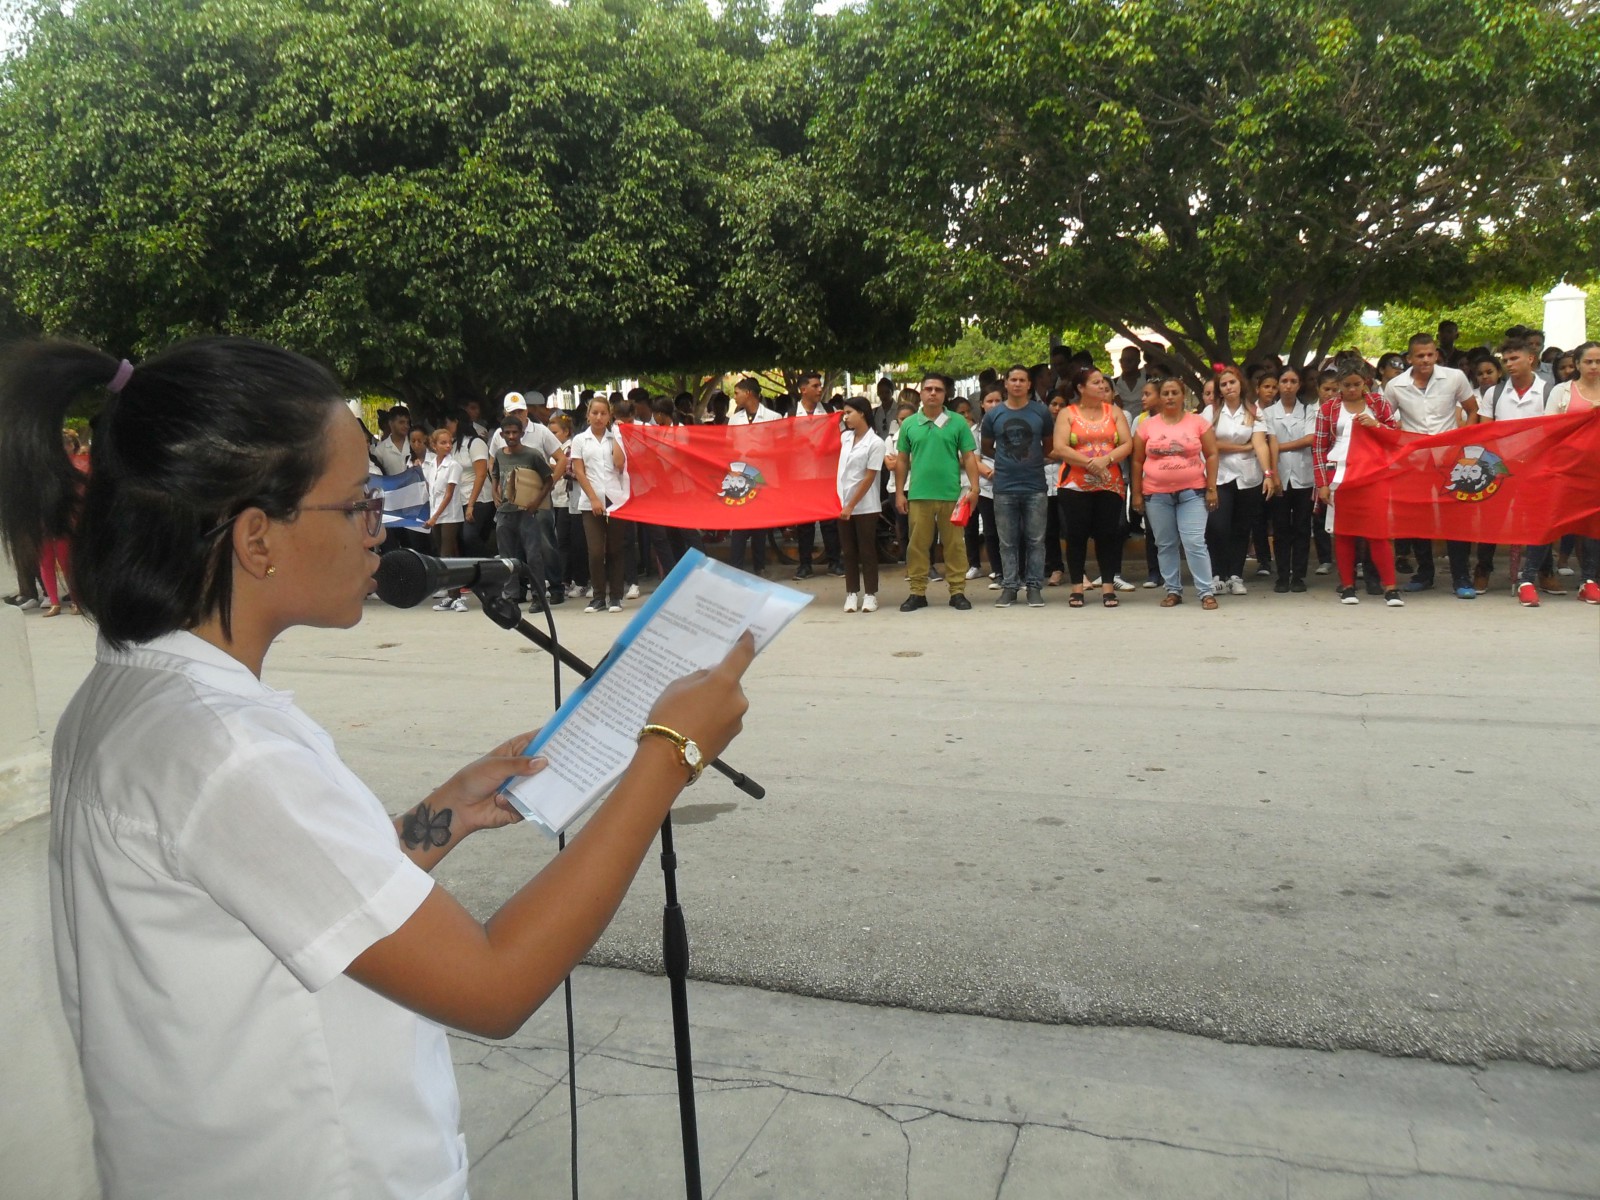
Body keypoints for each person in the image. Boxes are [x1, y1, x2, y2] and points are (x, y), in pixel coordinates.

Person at [0, 335, 754, 1200]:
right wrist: (668, 756)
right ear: (257, 539)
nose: (381, 528)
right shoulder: (223, 750)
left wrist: (439, 816)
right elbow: (494, 986)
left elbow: (281, 891)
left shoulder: (133, 693)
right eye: (357, 502)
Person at [1383, 333, 1478, 598]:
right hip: (1414, 461)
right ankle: (1425, 573)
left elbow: (1472, 409)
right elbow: (1384, 419)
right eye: (1420, 356)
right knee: (1418, 518)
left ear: (1436, 354)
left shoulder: (1455, 377)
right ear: (1409, 358)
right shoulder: (1395, 386)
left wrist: (1464, 439)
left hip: (1450, 457)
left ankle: (1462, 577)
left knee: (1456, 517)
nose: (1426, 360)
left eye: (1430, 354)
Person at [1314, 364, 1404, 606]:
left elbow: (1396, 437)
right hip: (1340, 474)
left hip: (1374, 473)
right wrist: (1322, 483)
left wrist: (1376, 426)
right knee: (1344, 532)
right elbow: (1320, 447)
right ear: (1339, 386)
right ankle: (1348, 585)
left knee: (1378, 532)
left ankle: (1391, 587)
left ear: (1366, 382)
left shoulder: (1378, 404)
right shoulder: (1328, 409)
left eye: (1357, 384)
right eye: (1346, 386)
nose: (1352, 389)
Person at [1130, 377, 1220, 608]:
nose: (1170, 397)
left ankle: (1205, 591)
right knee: (1165, 544)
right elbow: (1137, 461)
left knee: (1194, 542)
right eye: (1165, 393)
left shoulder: (1198, 422)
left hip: (1193, 493)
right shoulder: (1147, 426)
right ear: (1159, 397)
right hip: (1156, 495)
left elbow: (1211, 454)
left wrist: (1211, 488)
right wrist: (1137, 494)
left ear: (1183, 395)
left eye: (1174, 393)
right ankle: (1173, 590)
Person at [895, 374, 980, 611]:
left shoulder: (958, 422)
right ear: (921, 393)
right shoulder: (910, 424)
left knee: (954, 545)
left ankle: (957, 592)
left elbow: (969, 457)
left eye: (938, 390)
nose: (933, 393)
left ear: (945, 394)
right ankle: (917, 592)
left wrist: (975, 488)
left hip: (951, 494)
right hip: (919, 494)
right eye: (928, 389)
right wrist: (900, 493)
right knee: (917, 545)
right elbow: (902, 460)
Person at [1053, 367, 1132, 608]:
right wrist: (1090, 463)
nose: (1101, 387)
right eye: (1096, 383)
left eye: (1103, 383)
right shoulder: (1068, 413)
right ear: (1080, 388)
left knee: (1108, 534)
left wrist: (1105, 461)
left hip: (1110, 482)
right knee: (1076, 535)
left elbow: (1127, 443)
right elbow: (1060, 446)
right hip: (1074, 483)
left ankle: (1108, 586)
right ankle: (1077, 587)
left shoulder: (1114, 412)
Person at [979, 365, 1052, 608]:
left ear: (1029, 384)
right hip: (1004, 486)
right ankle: (1009, 587)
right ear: (1006, 383)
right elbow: (987, 447)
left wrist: (1029, 459)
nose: (1018, 384)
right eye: (1013, 380)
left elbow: (1049, 447)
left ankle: (1034, 587)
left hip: (1035, 486)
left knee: (1036, 540)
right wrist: (1007, 458)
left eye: (1022, 380)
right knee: (1007, 541)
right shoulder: (993, 415)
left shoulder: (1041, 412)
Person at [1205, 365, 1275, 595]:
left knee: (1241, 527)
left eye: (1232, 383)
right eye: (1223, 385)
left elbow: (1259, 444)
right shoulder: (1211, 412)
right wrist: (1240, 447)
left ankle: (1235, 575)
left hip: (1248, 476)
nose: (1228, 387)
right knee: (1218, 526)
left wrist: (1268, 474)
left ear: (1240, 385)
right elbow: (1209, 445)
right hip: (1220, 475)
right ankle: (1217, 573)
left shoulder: (1254, 411)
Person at [571, 394, 628, 612]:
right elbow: (579, 471)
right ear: (588, 415)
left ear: (609, 416)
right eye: (594, 413)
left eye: (603, 413)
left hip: (615, 498)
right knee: (595, 551)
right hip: (590, 501)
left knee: (615, 549)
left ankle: (615, 596)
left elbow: (619, 463)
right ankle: (597, 596)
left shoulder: (615, 437)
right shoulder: (579, 440)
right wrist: (594, 498)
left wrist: (619, 435)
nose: (598, 417)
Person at [489, 415, 552, 608]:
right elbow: (495, 474)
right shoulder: (499, 454)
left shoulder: (532, 455)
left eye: (515, 432)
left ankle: (538, 596)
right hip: (505, 511)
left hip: (526, 512)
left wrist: (536, 502)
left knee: (533, 555)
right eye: (507, 432)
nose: (511, 436)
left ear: (521, 433)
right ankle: (511, 595)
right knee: (507, 556)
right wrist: (495, 493)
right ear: (501, 434)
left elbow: (548, 480)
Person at [1263, 368, 1316, 592]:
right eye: (1284, 381)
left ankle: (1299, 576)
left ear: (1299, 385)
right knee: (1281, 528)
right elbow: (1268, 441)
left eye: (1293, 381)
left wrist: (1279, 447)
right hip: (1280, 475)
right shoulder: (1267, 412)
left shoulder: (1308, 410)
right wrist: (1273, 474)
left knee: (1302, 527)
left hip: (1304, 476)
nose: (1288, 385)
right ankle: (1283, 575)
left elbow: (1310, 439)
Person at [792, 371, 845, 579]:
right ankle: (805, 565)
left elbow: (842, 438)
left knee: (830, 520)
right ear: (803, 389)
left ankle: (834, 562)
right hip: (801, 475)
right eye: (815, 386)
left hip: (826, 474)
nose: (819, 389)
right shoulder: (790, 415)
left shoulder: (830, 412)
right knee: (804, 522)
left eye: (820, 385)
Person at [835, 397, 885, 612]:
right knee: (848, 551)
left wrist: (851, 505)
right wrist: (843, 505)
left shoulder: (876, 443)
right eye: (844, 413)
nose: (846, 417)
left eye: (849, 412)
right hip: (842, 502)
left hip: (865, 506)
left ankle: (871, 594)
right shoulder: (845, 437)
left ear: (862, 413)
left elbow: (868, 478)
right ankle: (851, 593)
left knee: (867, 550)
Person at [421, 426, 465, 611]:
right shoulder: (431, 465)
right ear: (433, 445)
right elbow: (430, 490)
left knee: (447, 554)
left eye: (449, 442)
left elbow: (448, 495)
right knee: (442, 554)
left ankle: (457, 597)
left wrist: (434, 517)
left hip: (449, 516)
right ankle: (451, 595)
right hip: (435, 514)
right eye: (443, 443)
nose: (448, 446)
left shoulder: (453, 465)